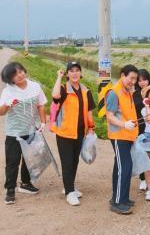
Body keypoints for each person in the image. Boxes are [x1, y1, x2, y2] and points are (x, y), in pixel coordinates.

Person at [0, 62, 47, 205]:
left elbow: (41, 105)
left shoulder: (35, 86)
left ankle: (25, 183)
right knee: (12, 162)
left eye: (20, 71)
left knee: (29, 159)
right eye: (15, 74)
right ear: (10, 79)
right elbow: (0, 112)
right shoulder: (8, 91)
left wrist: (43, 122)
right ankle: (10, 190)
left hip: (31, 130)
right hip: (14, 133)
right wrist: (8, 104)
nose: (19, 75)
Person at [50, 62, 96, 206]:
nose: (75, 73)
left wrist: (91, 127)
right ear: (67, 74)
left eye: (77, 70)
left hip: (80, 132)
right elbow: (55, 95)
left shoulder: (86, 90)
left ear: (81, 73)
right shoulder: (64, 89)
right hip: (64, 132)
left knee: (75, 161)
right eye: (71, 71)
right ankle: (69, 192)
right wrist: (59, 77)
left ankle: (69, 187)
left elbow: (89, 111)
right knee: (67, 162)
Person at [106, 64, 139, 215]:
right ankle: (117, 202)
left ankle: (122, 198)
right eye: (131, 78)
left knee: (121, 167)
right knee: (124, 168)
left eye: (135, 79)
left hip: (127, 135)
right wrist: (124, 125)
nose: (133, 81)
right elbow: (110, 116)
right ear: (122, 75)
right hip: (119, 136)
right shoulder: (114, 92)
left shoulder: (127, 91)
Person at [132, 69, 150, 191]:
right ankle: (142, 179)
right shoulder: (135, 94)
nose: (142, 82)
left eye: (144, 80)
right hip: (140, 128)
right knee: (141, 153)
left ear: (148, 80)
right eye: (139, 80)